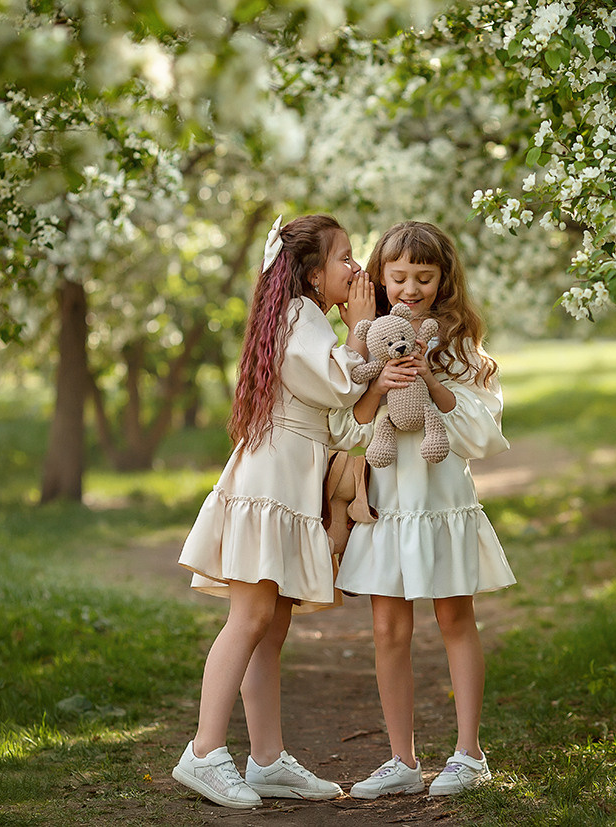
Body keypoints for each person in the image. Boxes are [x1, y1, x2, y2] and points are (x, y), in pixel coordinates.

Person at [172, 214, 375, 809]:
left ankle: (266, 760)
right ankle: (204, 752)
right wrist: (360, 328)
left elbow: (338, 413)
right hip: (272, 482)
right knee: (251, 618)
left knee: (271, 625)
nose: (356, 268)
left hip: (289, 478)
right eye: (345, 258)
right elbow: (341, 384)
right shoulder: (299, 319)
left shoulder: (306, 318)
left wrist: (355, 337)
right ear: (313, 274)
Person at [331, 220, 515, 799]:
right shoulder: (368, 341)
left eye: (425, 277)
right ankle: (401, 759)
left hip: (442, 503)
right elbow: (343, 427)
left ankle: (469, 754)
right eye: (399, 276)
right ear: (381, 279)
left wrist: (432, 376)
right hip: (386, 505)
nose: (411, 288)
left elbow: (481, 435)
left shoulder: (460, 346)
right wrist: (377, 380)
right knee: (388, 628)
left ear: (443, 281)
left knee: (455, 619)